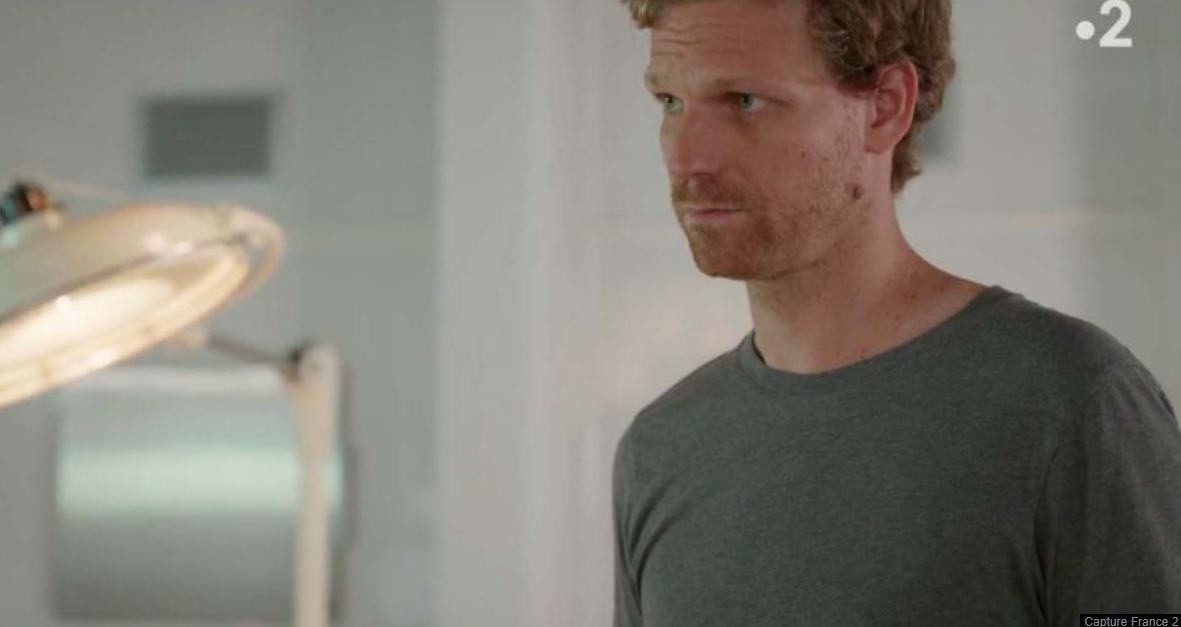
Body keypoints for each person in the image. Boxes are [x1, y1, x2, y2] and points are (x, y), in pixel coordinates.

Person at [610, 1, 1181, 625]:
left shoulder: (1071, 406)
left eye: (745, 101)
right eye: (670, 102)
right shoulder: (659, 450)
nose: (687, 159)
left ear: (885, 106)